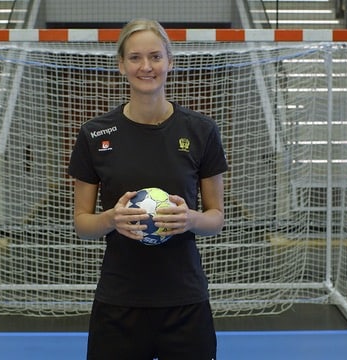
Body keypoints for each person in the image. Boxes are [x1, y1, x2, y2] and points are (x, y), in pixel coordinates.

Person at [67, 18, 228, 360]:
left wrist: (190, 219)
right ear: (121, 65)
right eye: (136, 58)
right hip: (119, 302)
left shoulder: (201, 131)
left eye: (155, 56)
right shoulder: (94, 135)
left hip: (185, 301)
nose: (146, 67)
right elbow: (82, 224)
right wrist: (111, 219)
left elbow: (216, 219)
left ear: (170, 61)